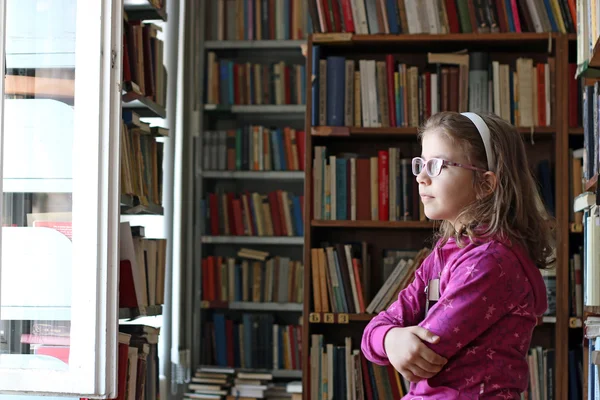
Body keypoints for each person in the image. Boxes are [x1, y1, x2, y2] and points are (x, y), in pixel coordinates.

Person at [360, 111, 555, 399]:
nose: (421, 178)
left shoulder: (491, 262)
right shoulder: (443, 255)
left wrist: (396, 340)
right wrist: (390, 338)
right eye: (421, 164)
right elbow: (374, 333)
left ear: (485, 185)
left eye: (437, 165)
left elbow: (423, 351)